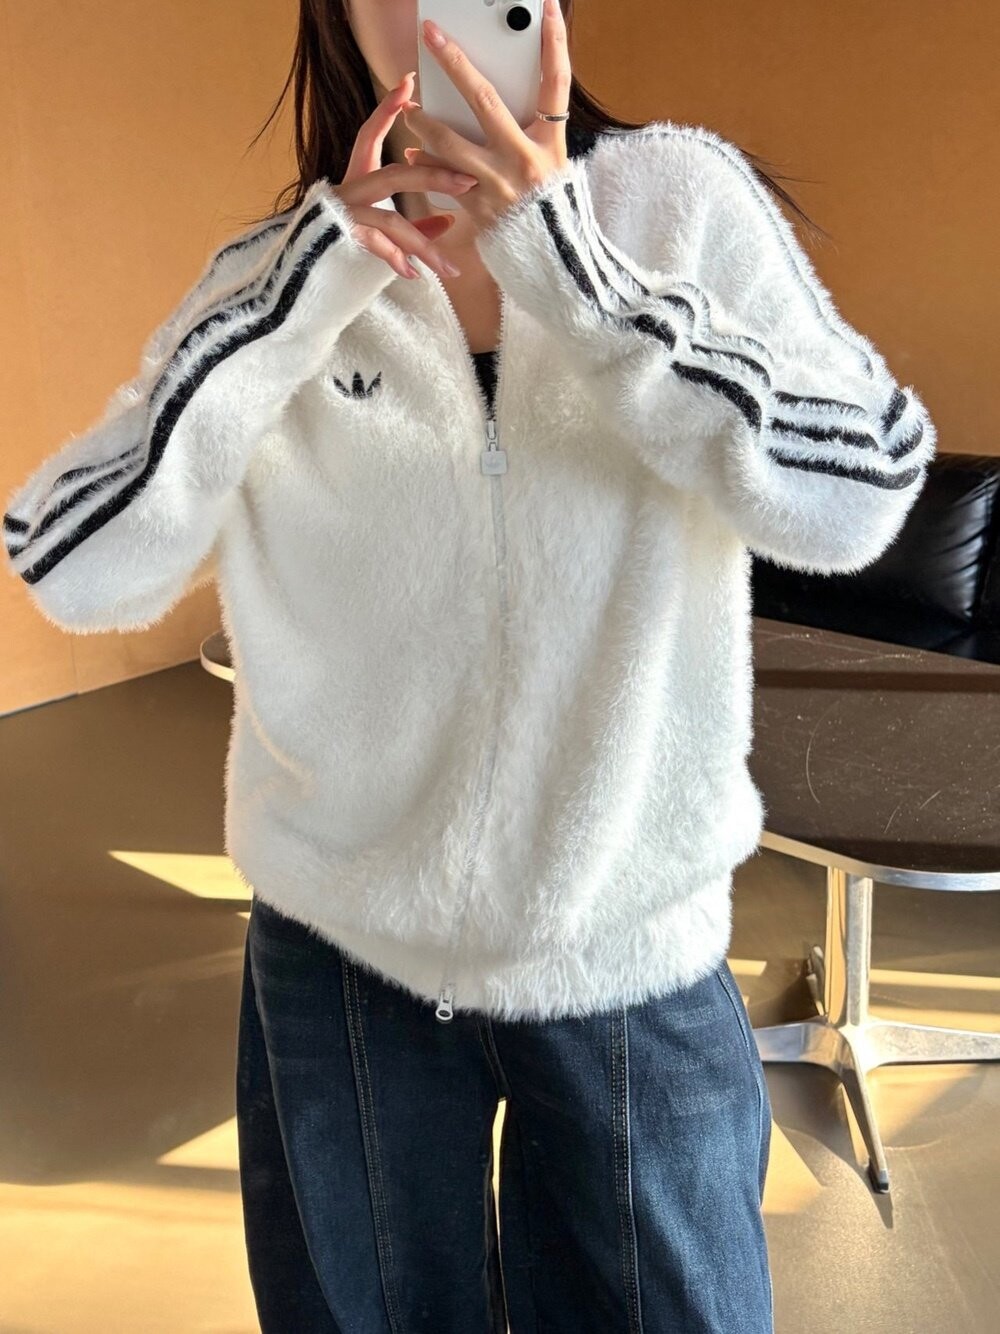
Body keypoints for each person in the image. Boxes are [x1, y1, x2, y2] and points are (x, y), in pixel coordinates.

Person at [4, 0, 937, 1329]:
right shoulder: (278, 277)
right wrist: (299, 296)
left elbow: (859, 492)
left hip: (625, 945)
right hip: (343, 957)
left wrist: (580, 277)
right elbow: (71, 561)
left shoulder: (676, 205)